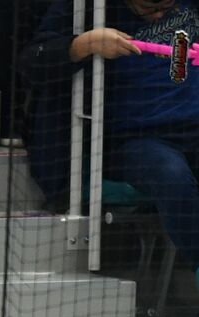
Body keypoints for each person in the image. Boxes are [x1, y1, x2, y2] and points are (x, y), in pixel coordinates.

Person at [22, 0, 199, 299]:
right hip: (132, 141)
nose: (158, 14)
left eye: (166, 5)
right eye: (147, 7)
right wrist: (84, 44)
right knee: (170, 174)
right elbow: (31, 62)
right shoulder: (87, 8)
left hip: (193, 129)